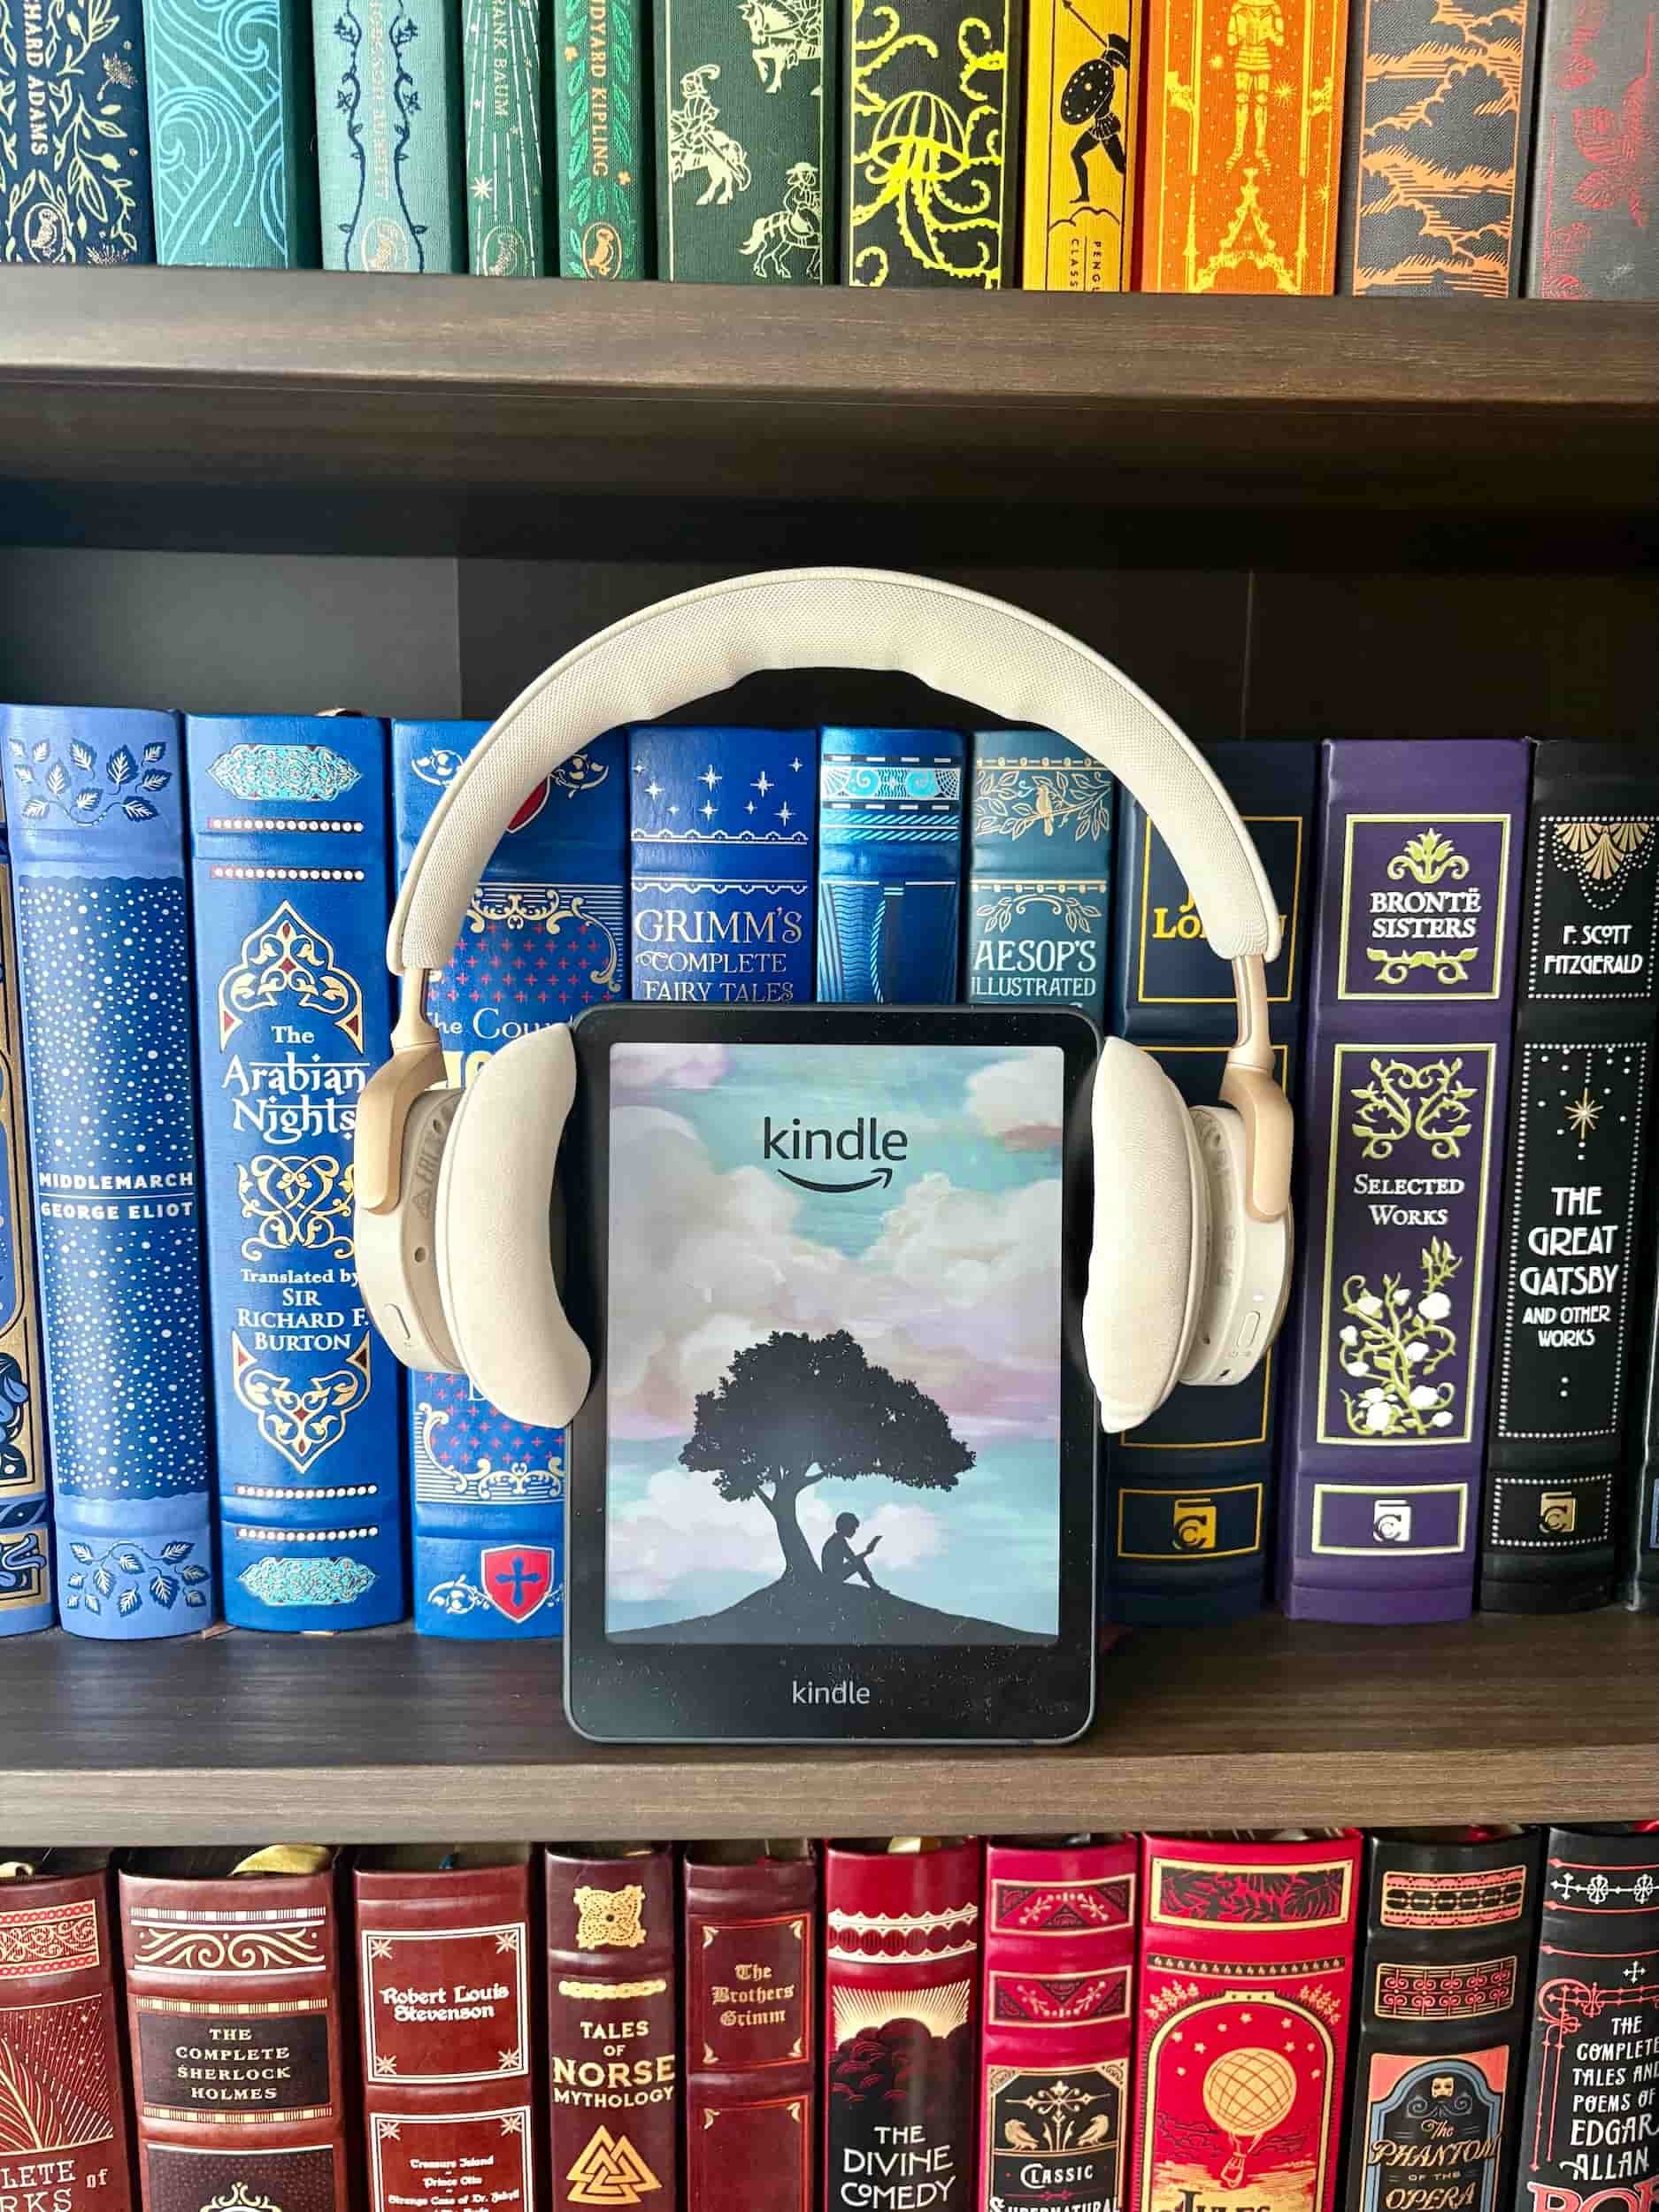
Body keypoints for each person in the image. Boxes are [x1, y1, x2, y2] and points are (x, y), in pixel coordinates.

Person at [820, 1512, 882, 1590]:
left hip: (834, 1574)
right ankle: (874, 1586)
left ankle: (874, 1586)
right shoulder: (838, 1541)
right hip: (832, 1577)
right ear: (845, 1526)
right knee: (859, 1561)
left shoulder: (838, 1539)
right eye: (853, 1528)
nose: (854, 1531)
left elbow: (853, 1558)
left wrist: (867, 1552)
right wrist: (867, 1552)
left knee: (859, 1561)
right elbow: (854, 1559)